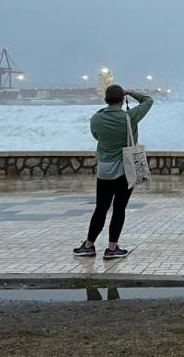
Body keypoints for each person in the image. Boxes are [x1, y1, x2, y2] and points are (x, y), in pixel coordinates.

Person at [73, 85, 153, 260]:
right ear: (121, 99)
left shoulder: (96, 118)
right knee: (119, 209)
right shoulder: (129, 117)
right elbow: (148, 100)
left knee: (100, 208)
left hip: (105, 170)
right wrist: (131, 92)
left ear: (105, 99)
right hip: (126, 169)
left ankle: (88, 245)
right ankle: (112, 248)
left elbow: (96, 136)